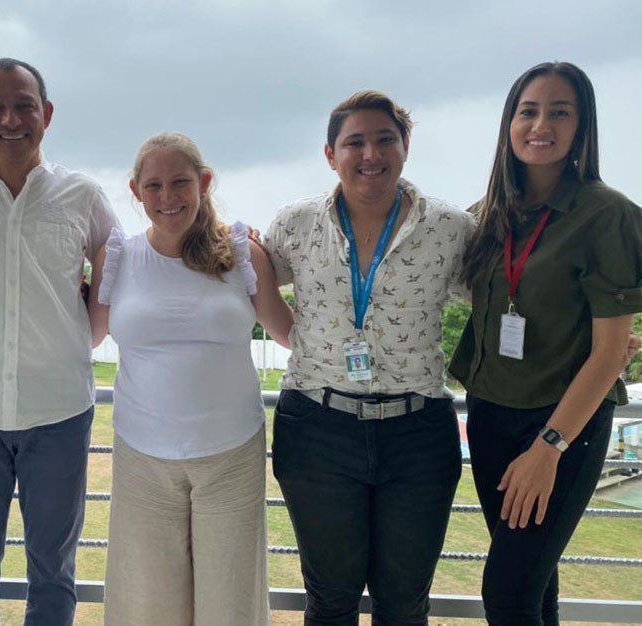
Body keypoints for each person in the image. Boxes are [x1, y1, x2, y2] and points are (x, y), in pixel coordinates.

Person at [264, 91, 474, 626]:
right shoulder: (295, 224)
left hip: (417, 434)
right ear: (330, 154)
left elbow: (503, 297)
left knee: (404, 605)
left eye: (384, 139)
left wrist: (597, 336)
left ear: (406, 146)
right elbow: (237, 281)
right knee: (330, 600)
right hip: (317, 430)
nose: (370, 154)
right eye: (354, 142)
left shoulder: (452, 230)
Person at [0, 58, 119, 626]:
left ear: (47, 113)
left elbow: (120, 254)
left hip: (58, 410)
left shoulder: (81, 193)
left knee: (54, 573)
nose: (10, 119)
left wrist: (90, 330)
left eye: (24, 105)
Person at [449, 61, 642, 625]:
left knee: (506, 595)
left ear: (583, 127)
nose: (542, 125)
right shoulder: (488, 216)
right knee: (535, 589)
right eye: (528, 111)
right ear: (509, 123)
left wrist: (548, 446)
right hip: (489, 416)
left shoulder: (608, 216)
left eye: (561, 112)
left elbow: (609, 352)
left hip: (562, 428)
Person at [87, 132, 293, 626]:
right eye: (153, 185)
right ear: (135, 191)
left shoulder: (244, 254)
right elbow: (85, 337)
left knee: (231, 603)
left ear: (203, 183)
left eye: (180, 182)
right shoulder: (116, 258)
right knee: (146, 604)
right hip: (142, 456)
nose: (167, 197)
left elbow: (289, 333)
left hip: (231, 454)